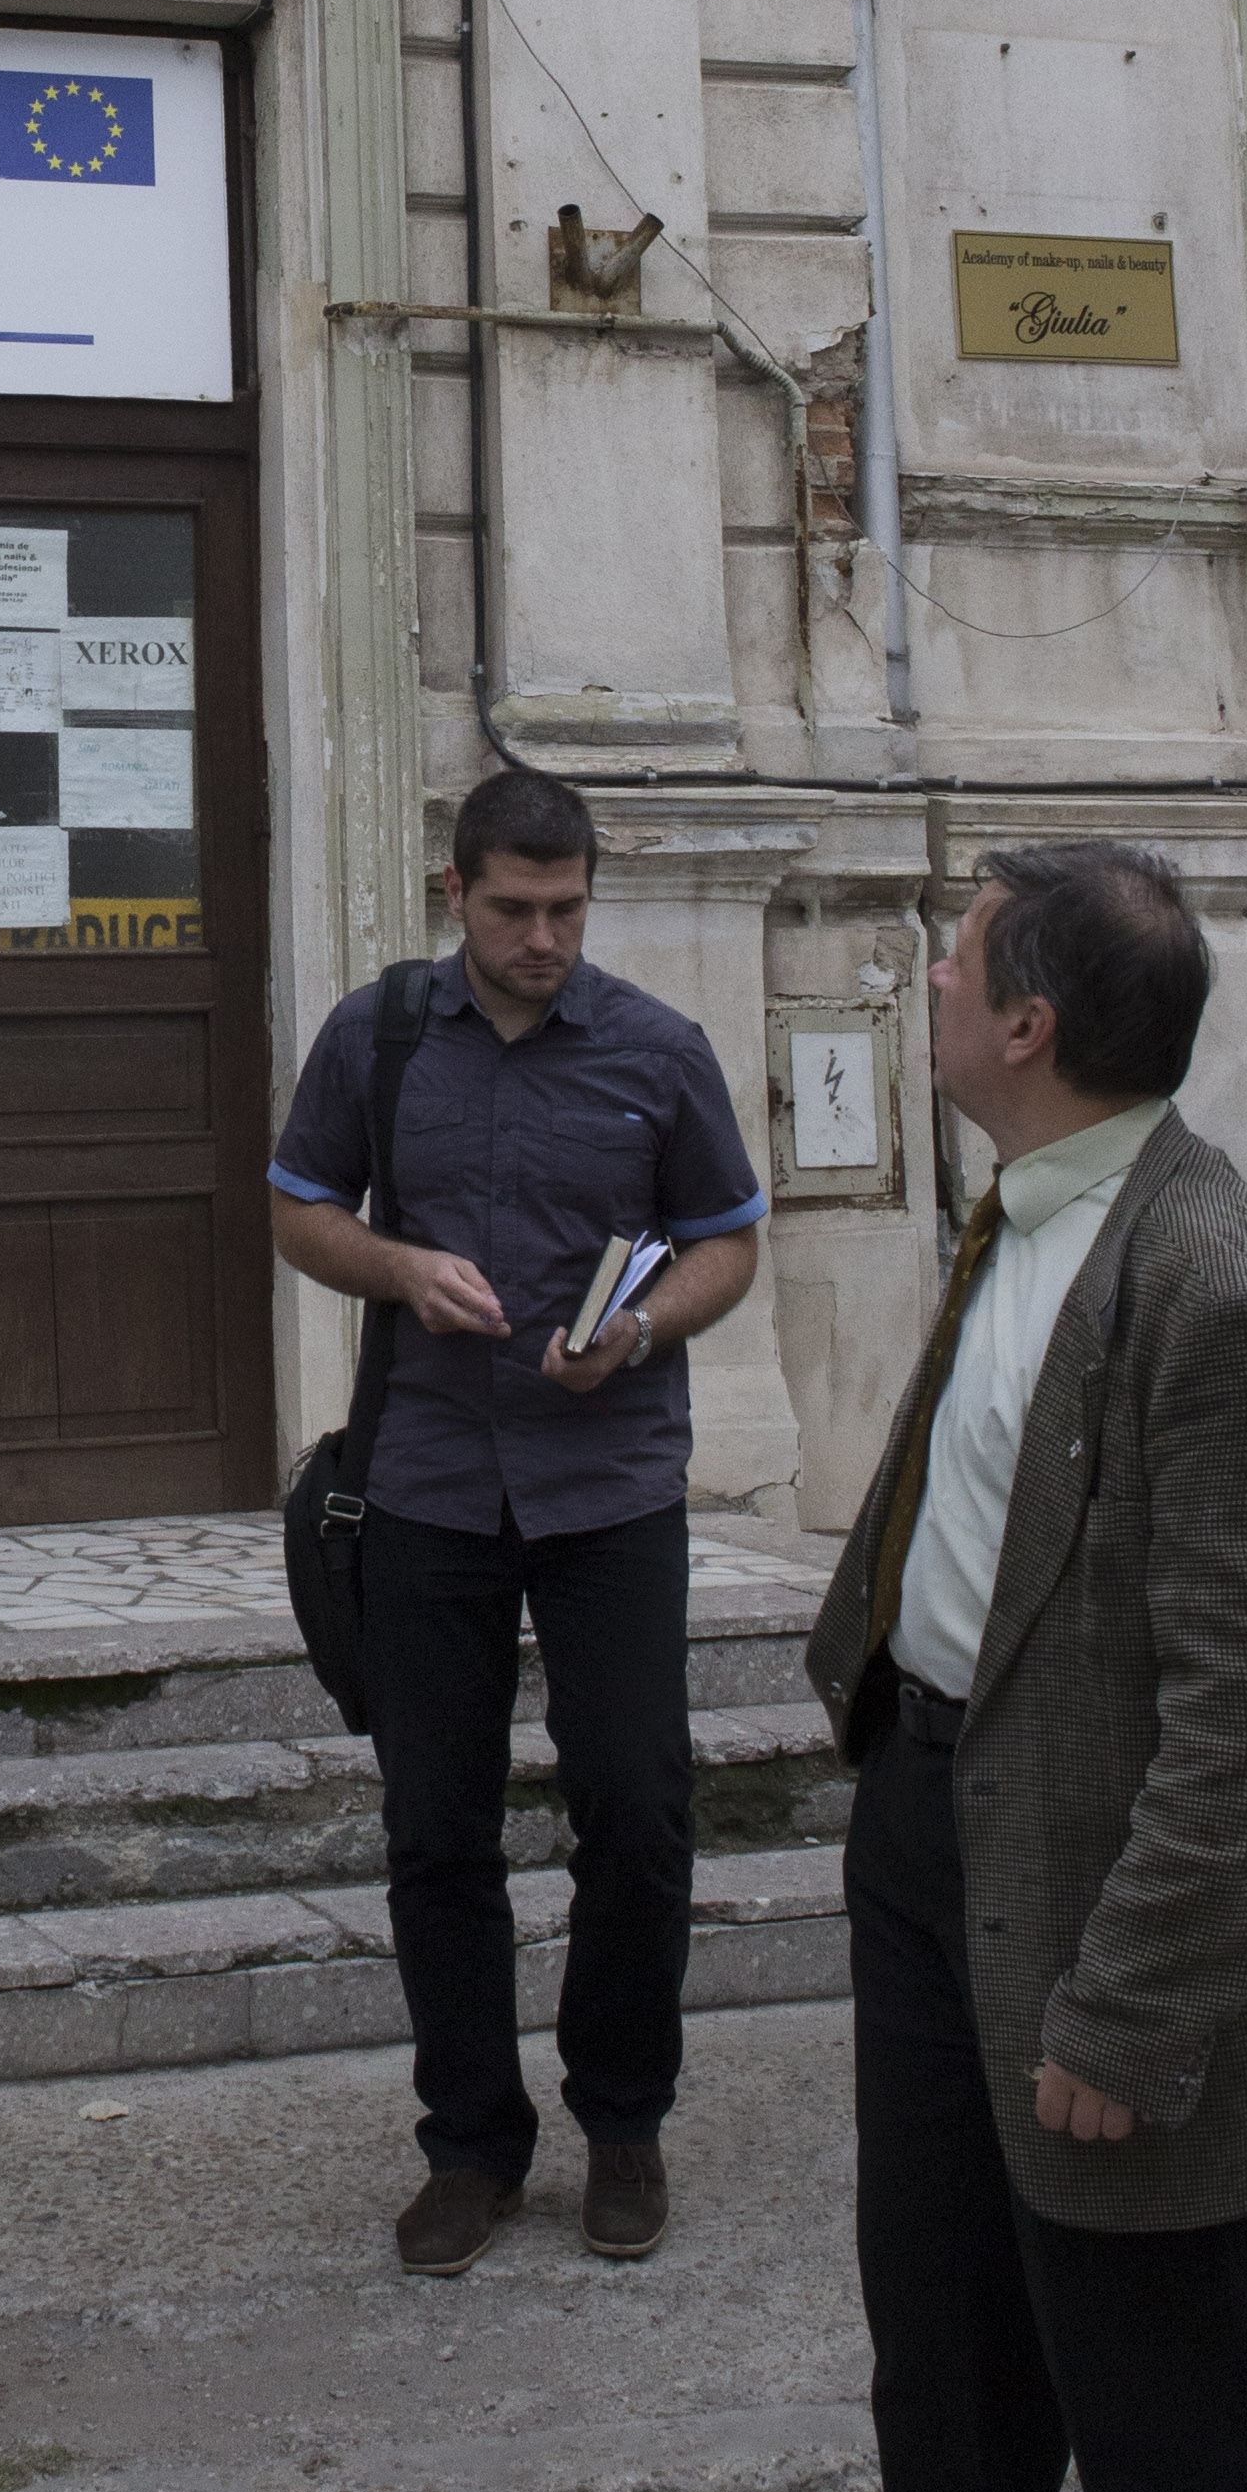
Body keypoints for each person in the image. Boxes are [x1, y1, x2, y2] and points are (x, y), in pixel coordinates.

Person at [731, 842, 1247, 2492]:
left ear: (1031, 1029)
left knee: (1177, 2446)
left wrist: (1134, 2013)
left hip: (1102, 1922)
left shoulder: (1211, 1282)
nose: (923, 975)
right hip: (939, 1829)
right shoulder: (1024, 1203)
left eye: (958, 957)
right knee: (949, 2345)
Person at [270, 764, 765, 2277]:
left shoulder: (658, 1052)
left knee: (637, 1809)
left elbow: (729, 1243)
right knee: (437, 1827)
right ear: (456, 894)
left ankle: (623, 2122)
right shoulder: (377, 1034)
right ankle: (471, 2145)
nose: (543, 938)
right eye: (513, 910)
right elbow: (297, 1209)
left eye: (566, 910)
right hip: (427, 1482)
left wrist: (644, 1328)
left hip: (610, 1487)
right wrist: (400, 1270)